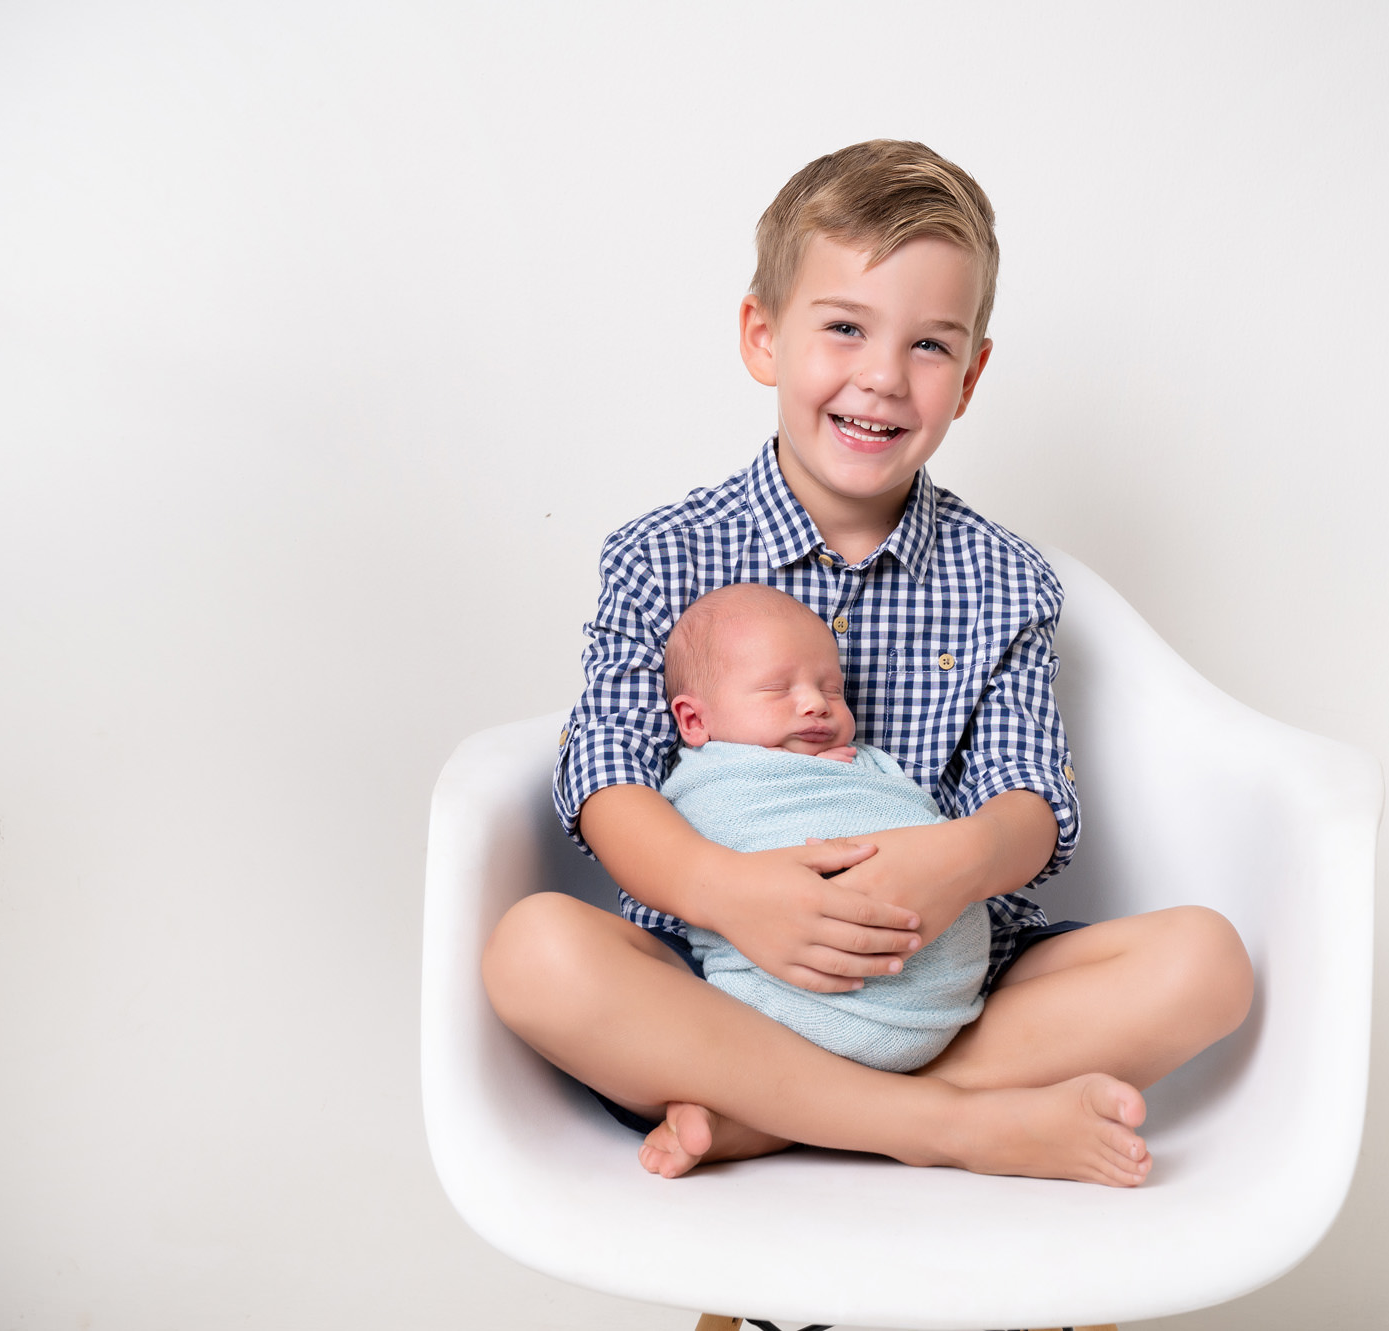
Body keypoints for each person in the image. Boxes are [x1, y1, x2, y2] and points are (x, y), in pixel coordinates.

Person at [483, 139, 1253, 1188]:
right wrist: (730, 891)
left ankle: (769, 1112)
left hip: (942, 988)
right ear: (763, 335)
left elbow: (1028, 801)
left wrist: (960, 864)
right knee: (532, 950)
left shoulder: (1002, 579)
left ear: (970, 375)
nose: (883, 377)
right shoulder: (660, 553)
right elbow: (608, 779)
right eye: (844, 326)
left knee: (1203, 964)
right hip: (721, 982)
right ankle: (946, 1125)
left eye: (930, 346)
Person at [661, 581, 992, 1074]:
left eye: (832, 689)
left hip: (931, 1006)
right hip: (776, 1004)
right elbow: (721, 834)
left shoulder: (865, 766)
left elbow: (918, 820)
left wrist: (841, 774)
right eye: (778, 689)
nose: (816, 704)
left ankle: (744, 1111)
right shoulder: (708, 780)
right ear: (693, 720)